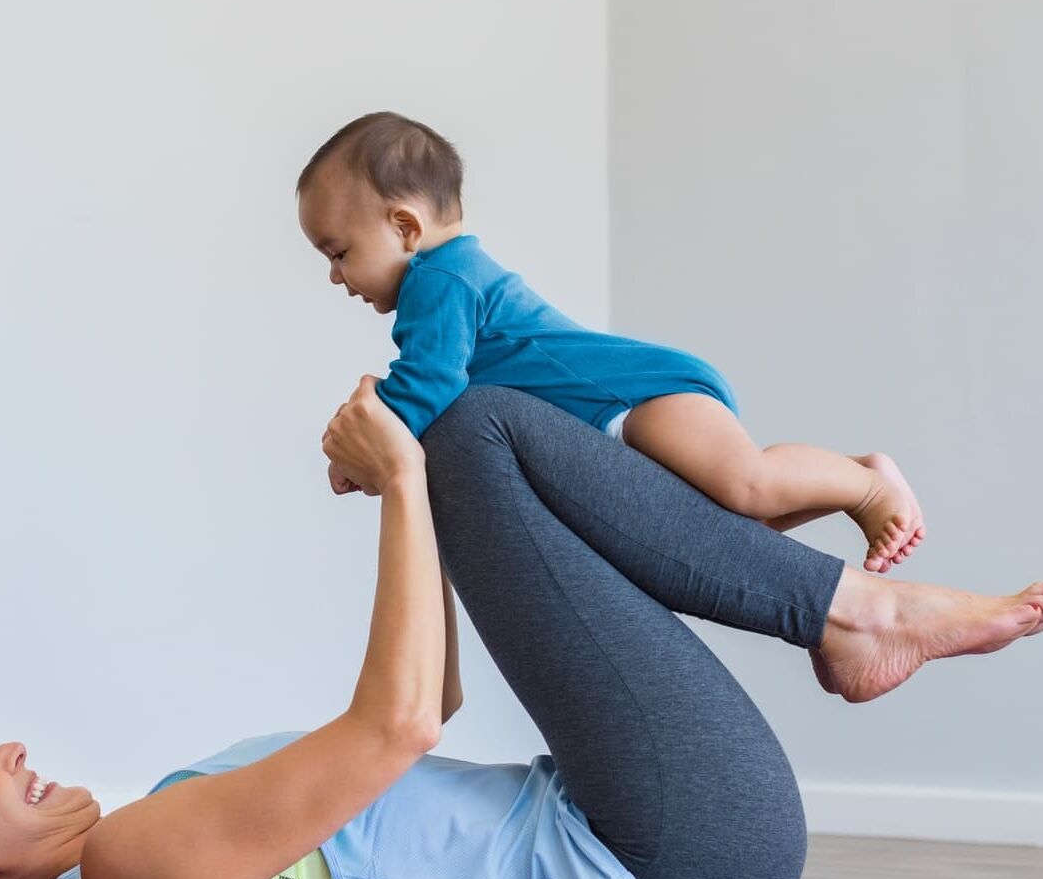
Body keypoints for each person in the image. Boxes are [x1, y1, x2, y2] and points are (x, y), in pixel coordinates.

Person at [0, 377, 1043, 879]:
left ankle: (845, 614)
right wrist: (404, 485)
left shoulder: (147, 838)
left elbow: (422, 706)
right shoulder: (137, 869)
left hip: (654, 838)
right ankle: (852, 615)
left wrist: (416, 497)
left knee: (489, 438)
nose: (13, 751)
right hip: (666, 859)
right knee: (482, 428)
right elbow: (389, 733)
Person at [300, 110, 926, 574]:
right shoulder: (451, 275)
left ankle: (867, 481)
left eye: (340, 253)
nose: (335, 275)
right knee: (734, 528)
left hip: (639, 396)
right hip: (622, 413)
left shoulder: (437, 279)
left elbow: (429, 381)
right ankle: (845, 533)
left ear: (405, 226)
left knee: (749, 485)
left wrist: (362, 454)